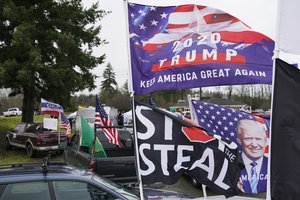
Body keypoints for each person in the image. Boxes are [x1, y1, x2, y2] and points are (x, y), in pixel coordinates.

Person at [237, 119, 268, 194]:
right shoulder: (230, 165)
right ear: (239, 140)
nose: (254, 144)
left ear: (266, 141)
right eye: (248, 139)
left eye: (258, 139)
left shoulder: (273, 166)